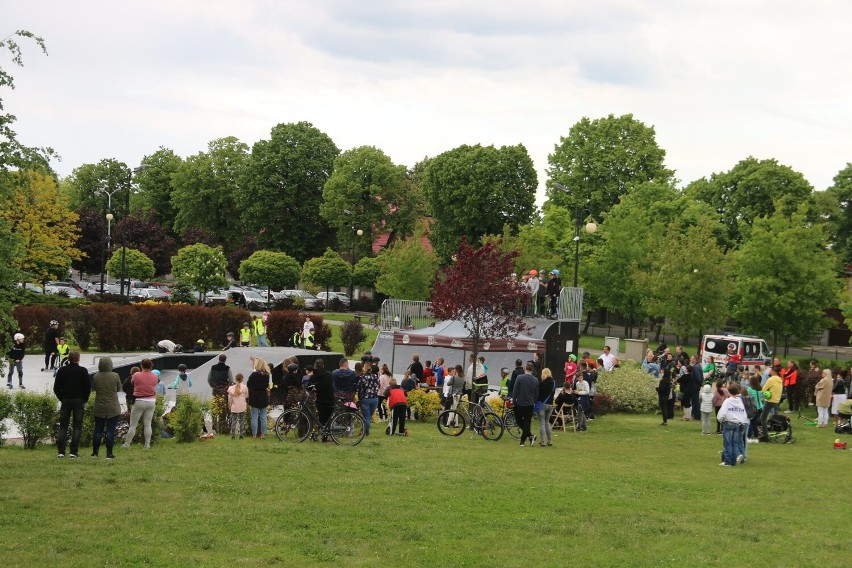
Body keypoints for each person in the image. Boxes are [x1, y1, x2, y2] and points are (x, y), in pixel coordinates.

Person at [53, 351, 92, 458]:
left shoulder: (62, 370)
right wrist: (84, 399)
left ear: (68, 359)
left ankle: (61, 452)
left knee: (63, 426)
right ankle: (73, 451)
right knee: (77, 426)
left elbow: (56, 388)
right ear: (78, 359)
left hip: (66, 399)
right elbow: (87, 388)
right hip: (79, 400)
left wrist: (62, 398)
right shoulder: (83, 371)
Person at [123, 358, 159, 449]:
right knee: (147, 424)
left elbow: (133, 383)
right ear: (151, 366)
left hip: (139, 401)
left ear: (141, 366)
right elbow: (155, 384)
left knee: (133, 424)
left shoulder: (136, 375)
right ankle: (147, 444)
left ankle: (127, 444)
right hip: (151, 401)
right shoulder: (155, 376)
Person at [91, 356, 121, 459]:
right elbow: (118, 389)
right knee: (110, 430)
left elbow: (93, 388)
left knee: (98, 430)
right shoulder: (115, 375)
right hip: (113, 407)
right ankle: (109, 453)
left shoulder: (96, 376)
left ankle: (95, 452)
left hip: (99, 406)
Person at [717, 383, 749, 466]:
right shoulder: (740, 401)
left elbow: (722, 413)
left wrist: (720, 420)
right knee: (735, 443)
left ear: (728, 391)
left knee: (727, 443)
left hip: (728, 422)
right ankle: (733, 461)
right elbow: (743, 413)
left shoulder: (727, 401)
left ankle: (728, 461)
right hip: (738, 423)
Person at [512, 361, 539, 447]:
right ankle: (527, 437)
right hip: (530, 404)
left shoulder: (520, 378)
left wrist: (514, 401)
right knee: (527, 422)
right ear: (532, 370)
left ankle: (524, 440)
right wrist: (534, 402)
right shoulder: (535, 380)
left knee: (519, 420)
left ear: (525, 368)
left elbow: (515, 390)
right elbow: (536, 393)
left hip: (520, 403)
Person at [247, 357, 271, 439]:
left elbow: (248, 383)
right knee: (263, 417)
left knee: (254, 417)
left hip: (254, 396)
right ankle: (263, 435)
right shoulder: (267, 375)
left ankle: (254, 435)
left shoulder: (254, 375)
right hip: (263, 396)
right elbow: (267, 385)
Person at [309, 359, 335, 433]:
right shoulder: (329, 374)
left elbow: (309, 388)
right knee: (328, 419)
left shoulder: (313, 377)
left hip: (320, 400)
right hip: (330, 399)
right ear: (323, 365)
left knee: (321, 418)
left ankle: (322, 432)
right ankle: (326, 434)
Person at [355, 362, 380, 436]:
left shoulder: (362, 377)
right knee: (369, 416)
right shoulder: (375, 376)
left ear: (364, 369)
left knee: (367, 417)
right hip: (375, 399)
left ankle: (366, 432)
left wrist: (359, 398)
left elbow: (358, 388)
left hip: (365, 399)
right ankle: (364, 430)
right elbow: (379, 385)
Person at [759, 367, 783, 442]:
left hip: (770, 400)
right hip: (777, 400)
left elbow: (763, 389)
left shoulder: (771, 379)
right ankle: (775, 427)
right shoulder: (780, 379)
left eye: (770, 370)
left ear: (773, 371)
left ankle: (765, 436)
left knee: (763, 418)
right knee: (774, 415)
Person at [536, 368, 555, 446]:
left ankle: (543, 441)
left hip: (541, 404)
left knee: (542, 424)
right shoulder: (553, 383)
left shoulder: (541, 383)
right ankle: (550, 440)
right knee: (547, 423)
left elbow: (537, 394)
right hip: (550, 405)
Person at [228, 373, 248, 439]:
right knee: (241, 421)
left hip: (234, 407)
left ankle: (233, 435)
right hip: (242, 406)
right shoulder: (244, 387)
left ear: (235, 379)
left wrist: (230, 406)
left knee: (234, 421)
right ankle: (241, 435)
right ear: (242, 379)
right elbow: (247, 396)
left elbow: (230, 399)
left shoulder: (231, 388)